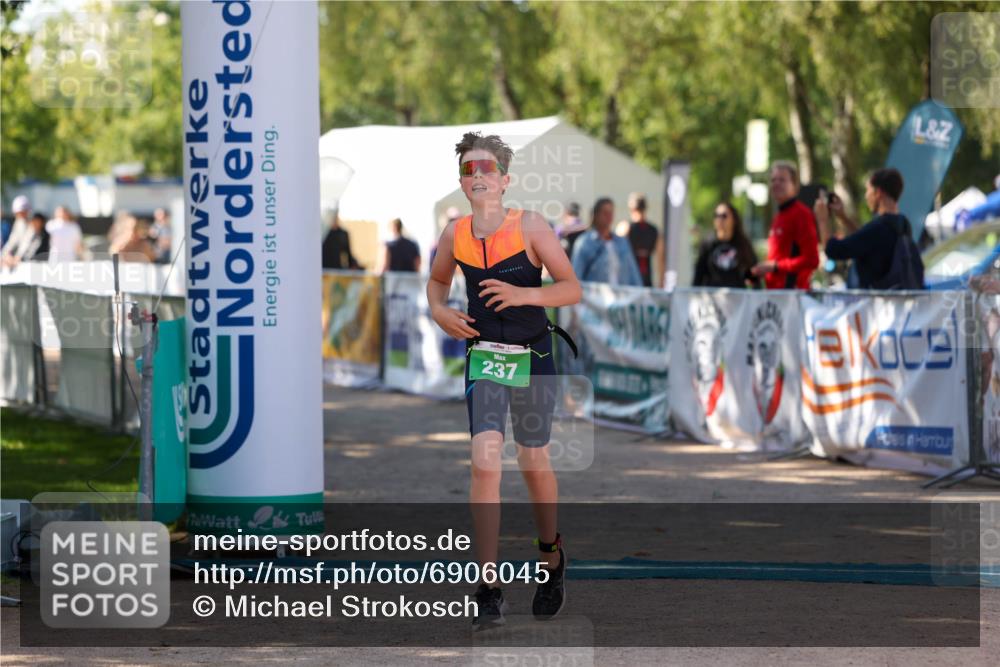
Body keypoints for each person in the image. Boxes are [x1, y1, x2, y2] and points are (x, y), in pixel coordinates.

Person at [427, 131, 581, 629]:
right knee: (485, 461)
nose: (477, 176)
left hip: (533, 357)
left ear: (505, 180)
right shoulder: (455, 233)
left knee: (533, 461)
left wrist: (524, 297)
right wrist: (438, 311)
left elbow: (570, 288)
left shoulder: (531, 227)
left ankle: (551, 556)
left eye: (486, 168)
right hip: (485, 360)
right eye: (469, 170)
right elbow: (436, 282)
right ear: (461, 182)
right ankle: (488, 586)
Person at [815, 167, 924, 289]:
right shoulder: (903, 224)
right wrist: (843, 217)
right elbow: (866, 242)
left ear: (878, 193)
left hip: (876, 304)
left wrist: (822, 220)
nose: (866, 196)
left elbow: (833, 250)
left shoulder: (878, 229)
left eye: (868, 190)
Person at [750, 161, 819, 289]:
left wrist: (775, 266)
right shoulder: (779, 216)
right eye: (773, 180)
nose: (776, 184)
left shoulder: (801, 214)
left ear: (794, 185)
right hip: (776, 295)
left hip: (792, 295)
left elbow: (812, 260)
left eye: (782, 180)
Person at [571, 198, 643, 286]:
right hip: (594, 297)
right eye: (605, 213)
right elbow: (577, 274)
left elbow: (633, 272)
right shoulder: (585, 242)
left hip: (621, 297)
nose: (609, 217)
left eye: (611, 213)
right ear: (596, 215)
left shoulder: (622, 242)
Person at [693, 202, 760, 288]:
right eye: (716, 216)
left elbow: (752, 272)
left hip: (737, 297)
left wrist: (755, 292)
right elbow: (699, 274)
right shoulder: (708, 244)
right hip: (713, 298)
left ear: (734, 219)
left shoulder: (742, 243)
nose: (720, 219)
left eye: (724, 216)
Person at [618, 192, 660, 288]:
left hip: (629, 281)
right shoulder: (654, 230)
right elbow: (661, 260)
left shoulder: (625, 228)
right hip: (646, 279)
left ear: (631, 208)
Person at [2, 195, 33, 262]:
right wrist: (5, 255)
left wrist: (18, 256)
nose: (19, 215)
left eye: (21, 213)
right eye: (17, 213)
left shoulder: (33, 225)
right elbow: (12, 242)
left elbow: (27, 244)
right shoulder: (19, 223)